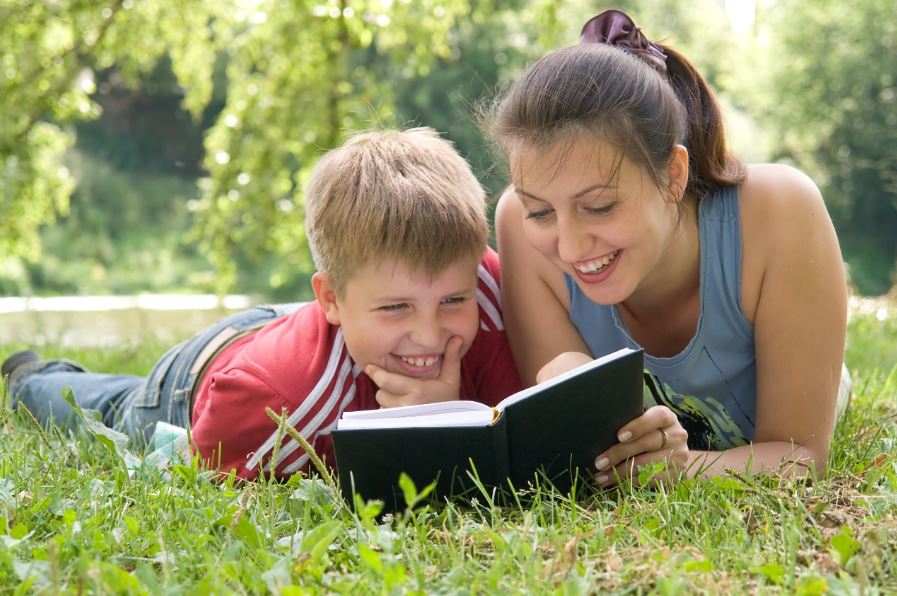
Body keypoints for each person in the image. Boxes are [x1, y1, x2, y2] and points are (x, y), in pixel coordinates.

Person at [2, 127, 522, 481]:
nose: (431, 335)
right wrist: (419, 439)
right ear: (332, 298)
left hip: (299, 323)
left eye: (453, 300)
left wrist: (447, 420)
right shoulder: (277, 405)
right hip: (207, 374)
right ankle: (27, 377)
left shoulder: (488, 288)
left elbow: (519, 438)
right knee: (116, 410)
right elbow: (201, 469)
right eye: (397, 309)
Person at [489, 9, 848, 487]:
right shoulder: (518, 222)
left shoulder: (781, 212)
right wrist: (567, 383)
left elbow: (801, 456)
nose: (570, 245)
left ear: (672, 176)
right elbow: (582, 460)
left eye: (598, 206)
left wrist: (682, 468)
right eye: (541, 212)